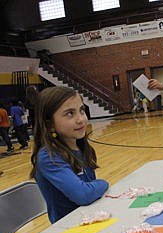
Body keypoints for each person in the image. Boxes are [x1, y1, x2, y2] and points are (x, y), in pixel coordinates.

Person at [30, 86, 109, 223]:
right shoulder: (48, 157)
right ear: (49, 125)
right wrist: (104, 183)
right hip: (69, 230)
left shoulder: (81, 147)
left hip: (90, 218)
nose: (80, 119)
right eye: (70, 114)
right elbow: (83, 194)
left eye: (82, 110)